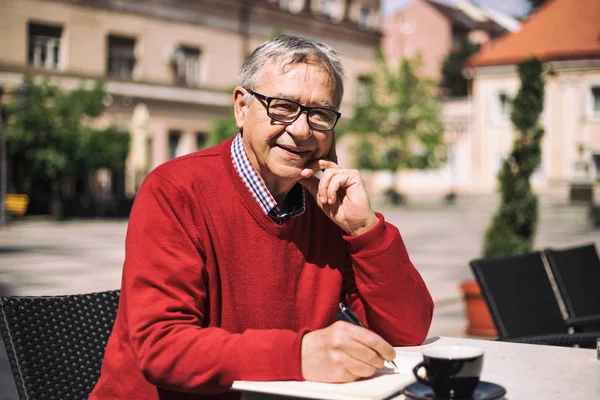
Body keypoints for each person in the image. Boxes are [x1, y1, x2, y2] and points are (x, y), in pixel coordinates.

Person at [90, 34, 433, 400]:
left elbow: (407, 331)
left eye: (320, 114)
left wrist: (366, 231)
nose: (301, 130)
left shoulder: (326, 206)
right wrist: (300, 356)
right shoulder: (175, 190)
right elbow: (162, 348)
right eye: (282, 106)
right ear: (241, 107)